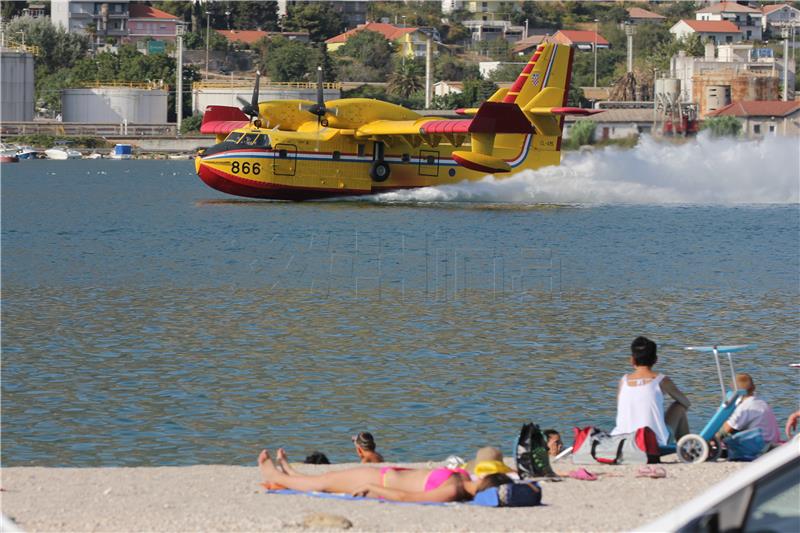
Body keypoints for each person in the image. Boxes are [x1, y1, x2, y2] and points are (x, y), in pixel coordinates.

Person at [259, 449, 512, 503]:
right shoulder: (464, 479)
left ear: (484, 485)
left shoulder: (454, 491)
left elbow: (406, 497)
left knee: (324, 483)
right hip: (385, 473)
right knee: (331, 477)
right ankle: (291, 473)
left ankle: (274, 473)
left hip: (380, 480)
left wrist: (374, 489)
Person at [611, 336, 691, 447]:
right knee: (679, 406)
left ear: (632, 360)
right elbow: (686, 403)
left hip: (621, 442)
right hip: (654, 443)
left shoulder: (623, 381)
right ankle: (688, 447)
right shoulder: (661, 380)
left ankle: (687, 447)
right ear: (656, 360)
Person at [720, 374, 781, 445]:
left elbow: (726, 429)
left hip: (761, 446)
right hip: (773, 441)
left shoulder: (745, 407)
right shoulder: (761, 402)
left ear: (735, 391)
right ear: (754, 387)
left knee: (725, 435)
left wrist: (723, 415)